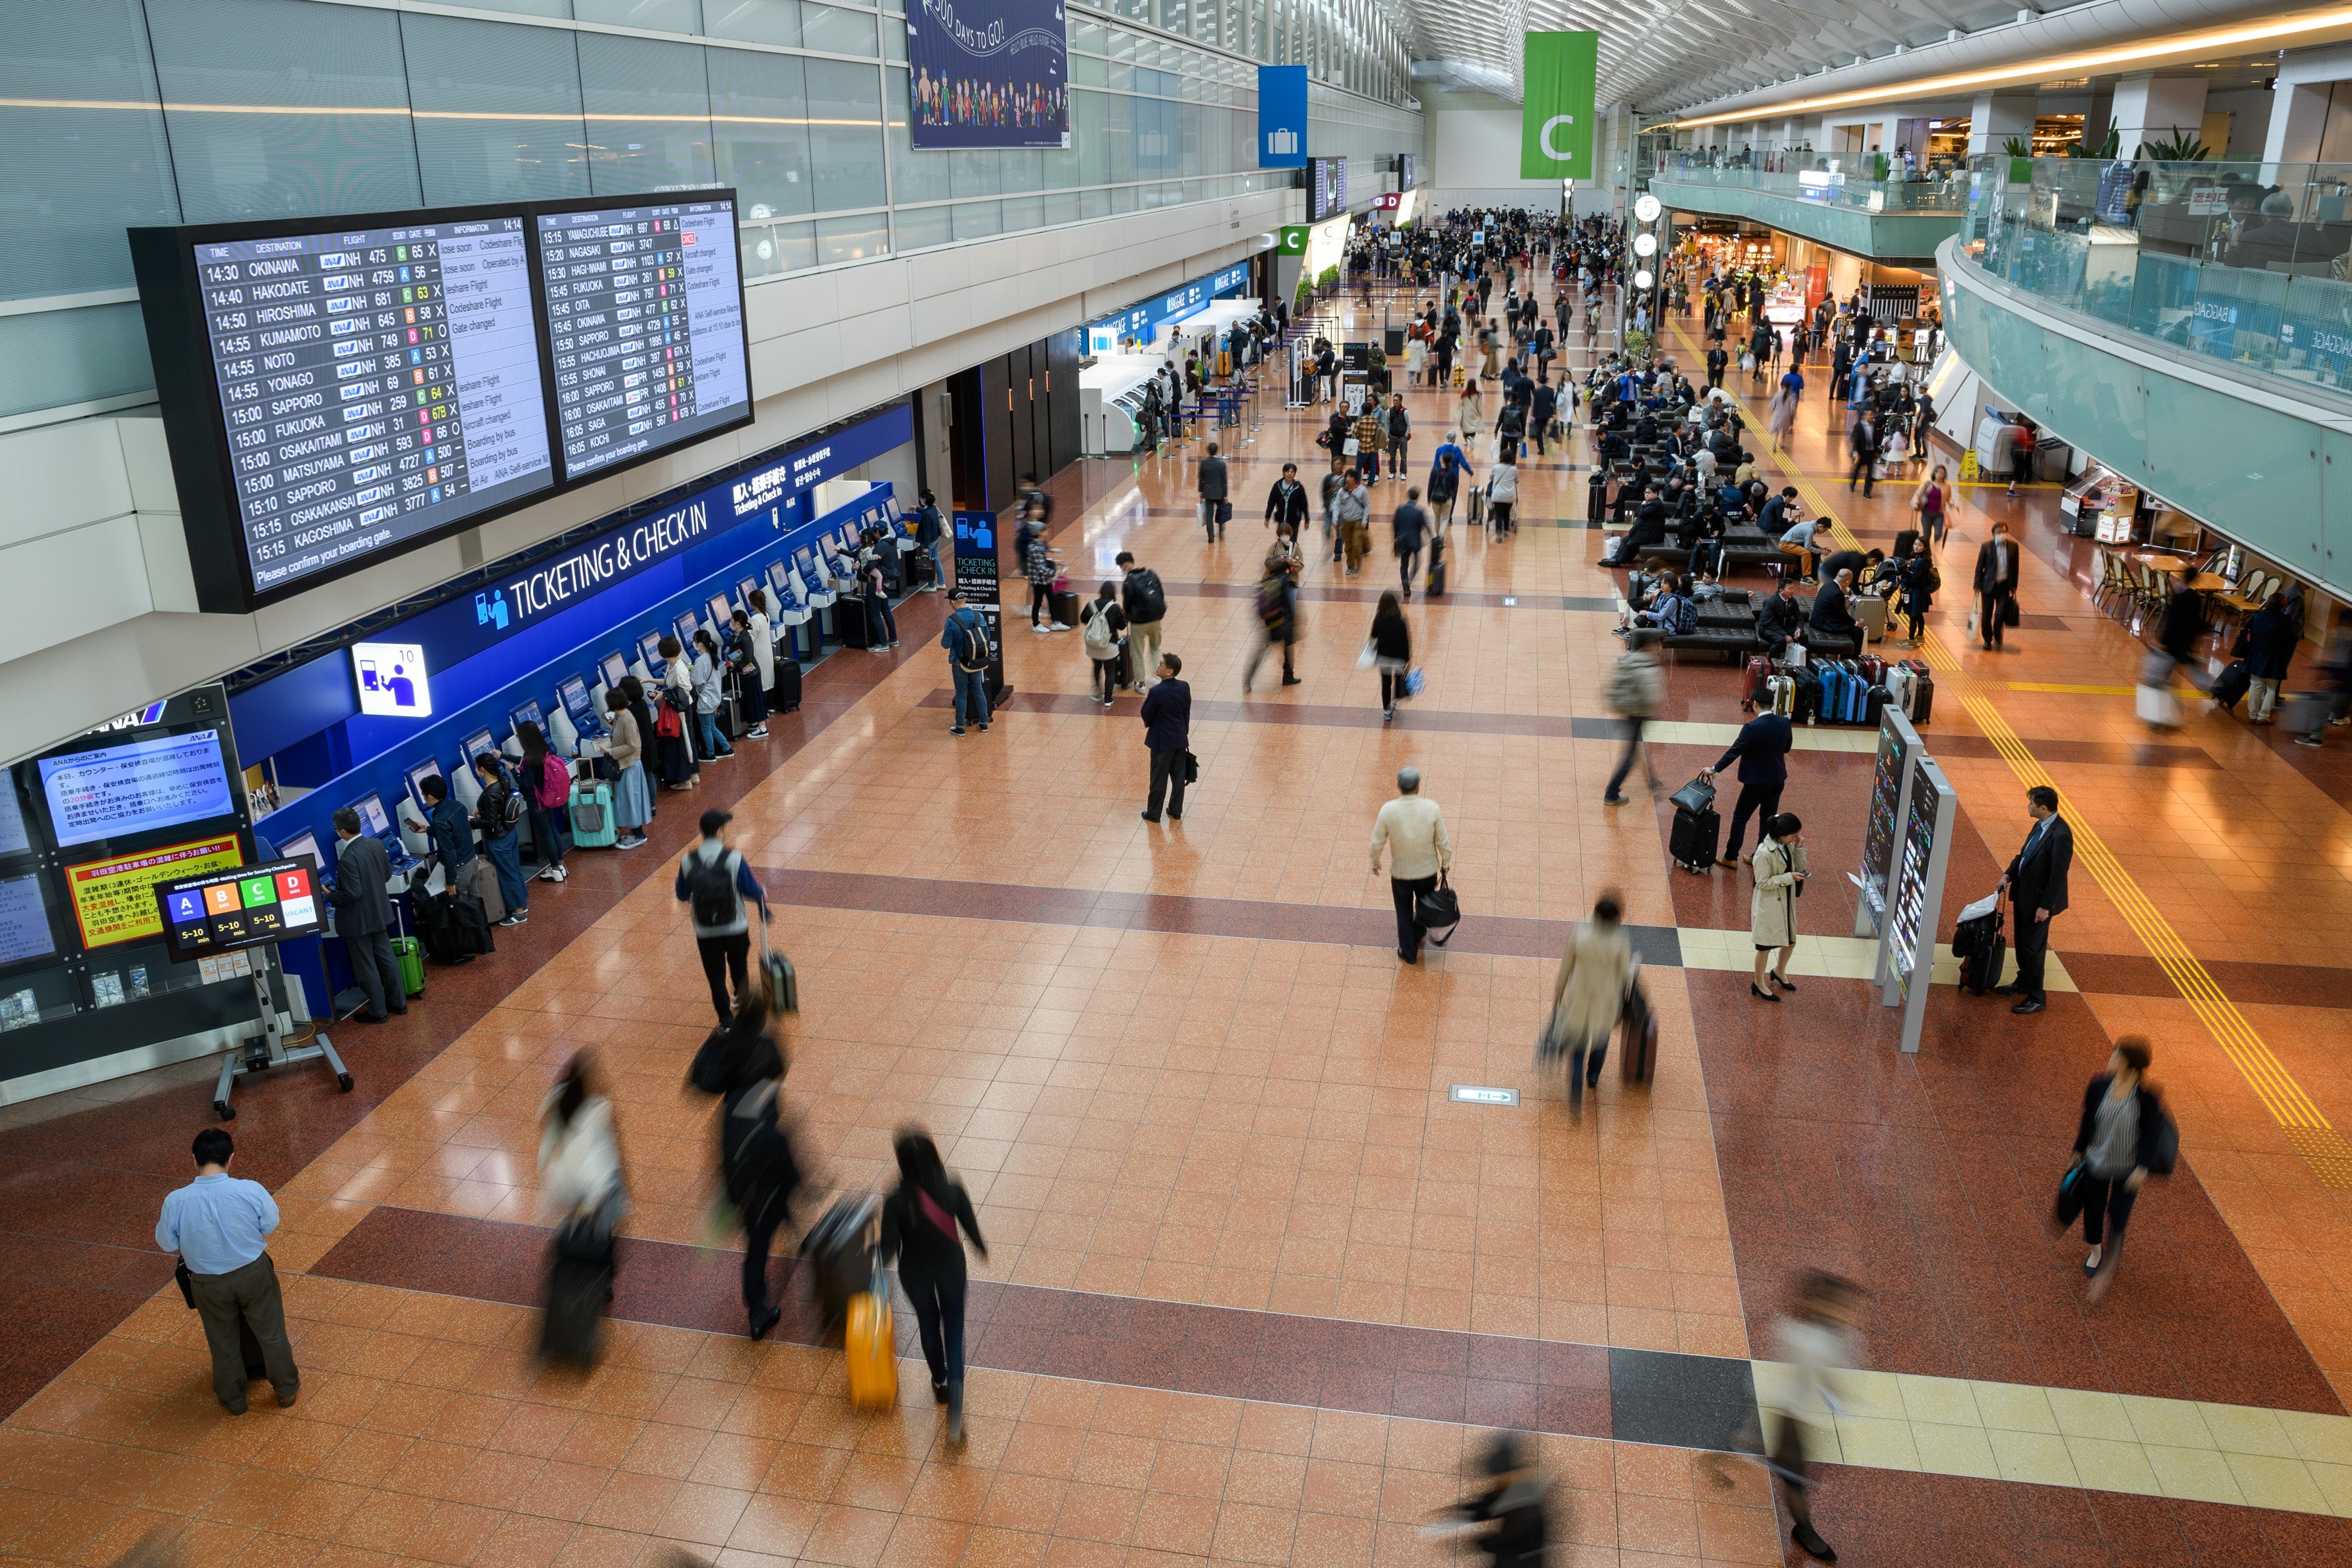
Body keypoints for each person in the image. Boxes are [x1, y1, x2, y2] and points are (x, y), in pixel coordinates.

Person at [155, 1128, 298, 1415]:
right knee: (271, 1334)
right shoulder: (249, 1190)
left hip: (207, 1283)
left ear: (194, 1159)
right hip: (253, 1273)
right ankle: (285, 1390)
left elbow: (166, 1243)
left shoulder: (176, 1200)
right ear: (231, 1158)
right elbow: (269, 1224)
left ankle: (233, 1400)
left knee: (222, 1340)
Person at [691, 989, 802, 1339]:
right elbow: (780, 1069)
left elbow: (701, 1081)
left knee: (756, 1238)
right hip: (763, 1157)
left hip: (736, 1152)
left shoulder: (729, 1048)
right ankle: (758, 1310)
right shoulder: (766, 1049)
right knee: (764, 1227)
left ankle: (759, 1305)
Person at [878, 1129, 987, 1444]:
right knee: (953, 1329)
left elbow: (887, 1250)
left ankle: (939, 1383)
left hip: (915, 1275)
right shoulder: (951, 1189)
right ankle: (955, 1407)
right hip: (951, 1268)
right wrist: (980, 1247)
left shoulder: (896, 1201)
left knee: (928, 1324)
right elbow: (971, 1228)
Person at [1763, 1271, 1866, 1561]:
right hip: (1793, 1417)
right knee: (1794, 1477)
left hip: (1811, 1418)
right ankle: (1805, 1530)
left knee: (1797, 1472)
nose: (1845, 1313)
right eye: (1835, 1305)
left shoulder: (1839, 1337)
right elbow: (1818, 1377)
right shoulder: (1799, 1335)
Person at [537, 1051, 625, 1364]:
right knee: (605, 1237)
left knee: (571, 1231)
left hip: (565, 1183)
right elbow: (614, 1147)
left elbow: (547, 1140)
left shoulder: (557, 1098)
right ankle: (601, 1283)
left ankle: (566, 1269)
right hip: (598, 1184)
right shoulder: (601, 1107)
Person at [2070, 1038, 2163, 1303]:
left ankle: (2112, 1253)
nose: (2110, 1061)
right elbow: (2088, 1120)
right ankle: (2096, 1251)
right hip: (2096, 1159)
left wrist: (2142, 1168)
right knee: (2094, 1208)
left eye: (2115, 1057)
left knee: (2118, 1213)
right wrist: (2078, 1151)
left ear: (2128, 1064)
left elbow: (2152, 1136)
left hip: (2127, 1167)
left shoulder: (2148, 1099)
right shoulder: (2099, 1085)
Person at [676, 808, 772, 1027]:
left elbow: (681, 894)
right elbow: (751, 890)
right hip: (736, 926)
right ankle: (741, 999)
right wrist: (763, 904)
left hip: (705, 929)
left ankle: (726, 1022)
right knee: (739, 968)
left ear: (702, 832)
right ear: (720, 831)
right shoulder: (734, 858)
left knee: (715, 978)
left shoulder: (687, 860)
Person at [1545, 894, 1635, 1112]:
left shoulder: (1580, 932)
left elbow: (1567, 965)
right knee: (1600, 1041)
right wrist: (1635, 964)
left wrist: (1558, 994)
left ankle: (1575, 1084)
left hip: (1579, 999)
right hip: (1605, 1002)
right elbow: (1625, 975)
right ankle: (1593, 1077)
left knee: (1578, 1044)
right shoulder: (1620, 940)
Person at [326, 806, 405, 1022]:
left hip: (358, 922)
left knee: (366, 966)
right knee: (387, 958)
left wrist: (330, 895)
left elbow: (352, 894)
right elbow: (387, 875)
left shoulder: (348, 859)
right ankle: (399, 1003)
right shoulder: (376, 844)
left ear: (343, 832)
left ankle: (378, 1012)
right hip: (380, 912)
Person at [1998, 784, 2072, 1015]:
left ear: (2043, 807)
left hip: (2039, 904)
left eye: (2031, 804)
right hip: (2024, 897)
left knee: (2033, 949)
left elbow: (2058, 875)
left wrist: (2045, 907)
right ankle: (2023, 981)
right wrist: (2008, 874)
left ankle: (2037, 997)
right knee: (2022, 942)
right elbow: (2024, 855)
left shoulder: (2061, 834)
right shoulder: (2039, 825)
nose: (2027, 806)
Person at [1368, 765, 1452, 965]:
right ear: (1418, 787)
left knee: (1403, 911)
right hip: (1427, 871)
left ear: (1399, 786)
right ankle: (1419, 932)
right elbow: (1443, 839)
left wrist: (1375, 861)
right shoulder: (1432, 808)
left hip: (1401, 873)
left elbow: (1377, 841)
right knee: (1424, 904)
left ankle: (1408, 951)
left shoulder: (1388, 810)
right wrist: (1446, 861)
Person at [1436, 1430, 1552, 1568]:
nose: (1495, 1482)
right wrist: (1461, 1513)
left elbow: (1503, 1543)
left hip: (1521, 1561)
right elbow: (1489, 1505)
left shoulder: (1527, 1515)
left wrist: (1473, 1543)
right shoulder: (1512, 1484)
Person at [1700, 705, 1794, 865]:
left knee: (1740, 818)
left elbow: (1734, 751)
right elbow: (1786, 748)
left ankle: (1731, 857)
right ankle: (1759, 857)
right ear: (1772, 704)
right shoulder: (1784, 723)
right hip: (1777, 780)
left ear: (1755, 704)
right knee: (1768, 820)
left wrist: (1715, 769)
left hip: (1755, 782)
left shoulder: (1751, 727)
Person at [1749, 813, 1808, 1001]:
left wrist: (1798, 848)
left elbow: (1801, 866)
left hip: (1786, 901)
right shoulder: (1764, 852)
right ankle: (1759, 983)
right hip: (1770, 905)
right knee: (1765, 946)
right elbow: (1762, 883)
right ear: (1781, 833)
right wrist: (1788, 878)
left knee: (1791, 940)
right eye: (1792, 836)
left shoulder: (1787, 846)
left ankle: (1779, 970)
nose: (1794, 838)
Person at [1603, 629, 1664, 805]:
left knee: (1637, 749)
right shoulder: (1646, 666)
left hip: (1629, 710)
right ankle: (1611, 793)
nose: (1657, 648)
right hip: (1639, 713)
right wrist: (1654, 710)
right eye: (1655, 644)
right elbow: (1650, 695)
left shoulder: (1628, 660)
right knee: (1631, 755)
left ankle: (1652, 781)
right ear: (1648, 646)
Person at [470, 750, 529, 928]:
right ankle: (522, 903)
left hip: (498, 840)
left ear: (482, 770)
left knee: (506, 874)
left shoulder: (490, 792)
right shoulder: (503, 782)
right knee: (514, 870)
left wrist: (472, 822)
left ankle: (518, 912)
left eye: (477, 768)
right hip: (509, 834)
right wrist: (484, 812)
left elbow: (490, 823)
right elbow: (497, 811)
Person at [1139, 653, 1190, 823]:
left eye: (1161, 664)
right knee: (1178, 777)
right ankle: (1176, 810)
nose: (1158, 666)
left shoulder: (1157, 691)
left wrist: (1153, 725)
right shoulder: (1184, 687)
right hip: (1180, 739)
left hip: (1162, 741)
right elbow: (1186, 712)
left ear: (1169, 671)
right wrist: (1184, 731)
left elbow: (1146, 714)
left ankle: (1154, 813)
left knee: (1158, 778)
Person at [2246, 584, 2305, 724]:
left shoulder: (2258, 616)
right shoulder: (2285, 621)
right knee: (2271, 688)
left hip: (2256, 655)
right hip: (2275, 657)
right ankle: (2263, 716)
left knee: (2255, 685)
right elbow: (2292, 638)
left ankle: (2253, 714)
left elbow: (2247, 630)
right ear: (2283, 605)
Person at [601, 686, 651, 850]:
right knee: (628, 800)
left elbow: (632, 746)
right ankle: (636, 832)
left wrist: (610, 751)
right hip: (627, 765)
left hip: (630, 765)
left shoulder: (627, 719)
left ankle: (639, 835)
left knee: (632, 800)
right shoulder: (621, 716)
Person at [1244, 550, 1301, 692]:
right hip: (1285, 623)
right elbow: (1290, 605)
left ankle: (1248, 678)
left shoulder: (1266, 582)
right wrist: (1296, 623)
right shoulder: (1286, 581)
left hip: (1271, 624)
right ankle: (1288, 677)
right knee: (1288, 649)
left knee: (1261, 651)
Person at [940, 588, 992, 735]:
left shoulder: (951, 621)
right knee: (978, 690)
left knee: (961, 693)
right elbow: (987, 636)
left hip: (959, 662)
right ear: (965, 600)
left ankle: (960, 727)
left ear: (952, 602)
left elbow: (946, 644)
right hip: (976, 661)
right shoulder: (978, 616)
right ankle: (983, 724)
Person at [1116, 552, 1167, 692]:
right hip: (1156, 619)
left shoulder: (1128, 582)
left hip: (1139, 623)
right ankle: (1156, 676)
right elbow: (1161, 595)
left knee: (1137, 652)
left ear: (1126, 565)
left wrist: (1127, 617)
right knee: (1155, 647)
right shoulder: (1151, 574)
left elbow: (1127, 604)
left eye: (1121, 566)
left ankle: (1140, 684)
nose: (1122, 569)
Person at [1973, 518, 2020, 651]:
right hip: (1988, 586)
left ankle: (1998, 636)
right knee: (1987, 615)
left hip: (2004, 586)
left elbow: (2015, 566)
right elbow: (1979, 567)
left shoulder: (2013, 546)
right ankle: (1988, 639)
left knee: (1999, 614)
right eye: (1999, 532)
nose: (2002, 535)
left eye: (2004, 532)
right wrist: (1977, 584)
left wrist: (2014, 584)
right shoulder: (1986, 547)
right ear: (1994, 534)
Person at [690, 630, 735, 761]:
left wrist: (689, 674)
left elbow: (697, 681)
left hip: (705, 700)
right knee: (711, 727)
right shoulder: (712, 656)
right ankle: (727, 748)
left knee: (706, 729)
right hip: (713, 698)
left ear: (700, 644)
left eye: (695, 641)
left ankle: (710, 754)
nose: (694, 644)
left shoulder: (700, 660)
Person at [1081, 580, 1128, 706]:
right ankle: (1108, 699)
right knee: (1110, 671)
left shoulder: (1091, 605)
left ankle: (1097, 691)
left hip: (1093, 644)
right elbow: (1122, 626)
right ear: (1113, 593)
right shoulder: (1115, 607)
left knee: (1097, 667)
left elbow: (1083, 619)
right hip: (1110, 644)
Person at [726, 610, 771, 741]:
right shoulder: (738, 635)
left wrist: (735, 666)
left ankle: (763, 728)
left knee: (756, 699)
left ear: (738, 623)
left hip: (751, 673)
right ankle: (754, 723)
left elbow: (747, 658)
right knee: (751, 699)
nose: (730, 622)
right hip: (745, 674)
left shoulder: (745, 638)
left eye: (732, 620)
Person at [1369, 590, 1412, 720]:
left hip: (1383, 657)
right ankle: (1396, 699)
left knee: (1386, 682)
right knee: (1398, 679)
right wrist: (1407, 659)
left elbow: (1374, 635)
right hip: (1399, 658)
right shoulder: (1401, 621)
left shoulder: (1379, 619)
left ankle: (1387, 710)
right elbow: (1406, 642)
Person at [1393, 487, 1429, 599]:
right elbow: (1425, 526)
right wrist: (1432, 537)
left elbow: (1395, 525)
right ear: (1417, 498)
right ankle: (1411, 578)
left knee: (1404, 564)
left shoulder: (1400, 510)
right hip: (1415, 542)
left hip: (1403, 541)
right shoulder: (1419, 512)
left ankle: (1405, 581)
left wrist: (1396, 538)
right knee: (1417, 561)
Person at [1335, 469, 1371, 575]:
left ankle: (1358, 565)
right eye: (1347, 477)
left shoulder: (1362, 490)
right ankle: (1350, 566)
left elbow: (1367, 505)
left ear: (1355, 479)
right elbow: (1337, 505)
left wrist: (1365, 519)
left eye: (1350, 477)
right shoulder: (1342, 491)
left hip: (1358, 522)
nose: (1348, 479)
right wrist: (1335, 518)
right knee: (1349, 546)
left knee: (1357, 545)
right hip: (1346, 522)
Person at [1808, 568, 1859, 642]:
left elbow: (1831, 599)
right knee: (1858, 632)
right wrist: (1856, 623)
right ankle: (1852, 653)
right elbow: (1842, 614)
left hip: (1816, 621)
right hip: (1824, 625)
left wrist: (1843, 598)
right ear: (1847, 582)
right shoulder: (1838, 593)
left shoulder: (1827, 585)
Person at [1265, 462, 1311, 541]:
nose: (1289, 474)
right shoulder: (1277, 486)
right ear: (1283, 473)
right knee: (1282, 542)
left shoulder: (1299, 488)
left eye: (1292, 472)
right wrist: (1267, 517)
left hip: (1294, 520)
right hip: (1281, 521)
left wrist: (1307, 519)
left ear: (1295, 474)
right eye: (1287, 472)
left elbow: (1304, 504)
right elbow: (1271, 503)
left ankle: (1291, 553)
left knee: (1292, 542)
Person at [912, 489, 946, 589]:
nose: (921, 500)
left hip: (929, 542)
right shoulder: (933, 508)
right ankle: (941, 583)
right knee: (937, 561)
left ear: (925, 500)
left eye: (922, 498)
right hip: (935, 539)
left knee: (929, 564)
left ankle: (931, 586)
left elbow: (927, 533)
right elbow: (927, 511)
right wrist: (917, 509)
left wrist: (926, 547)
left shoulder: (927, 516)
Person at [1910, 464, 1949, 547]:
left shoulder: (1947, 486)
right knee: (1927, 535)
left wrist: (1951, 502)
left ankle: (1934, 549)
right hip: (1927, 513)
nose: (1940, 474)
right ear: (1934, 473)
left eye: (1942, 473)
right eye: (1938, 472)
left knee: (1938, 534)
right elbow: (1918, 493)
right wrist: (1916, 502)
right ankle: (1927, 552)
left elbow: (1949, 497)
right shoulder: (1928, 484)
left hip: (1939, 514)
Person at [1780, 518, 1829, 583]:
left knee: (1811, 551)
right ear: (1821, 526)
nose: (1824, 532)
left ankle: (1811, 575)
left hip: (1793, 543)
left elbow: (1810, 542)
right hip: (1785, 545)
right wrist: (1821, 551)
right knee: (1806, 553)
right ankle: (1805, 577)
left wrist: (1820, 548)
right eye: (1825, 530)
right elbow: (1808, 547)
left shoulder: (1810, 525)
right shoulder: (1810, 530)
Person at [1197, 440, 1229, 539]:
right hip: (1219, 493)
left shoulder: (1204, 463)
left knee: (1209, 515)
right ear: (1217, 451)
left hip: (1208, 492)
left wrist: (1201, 491)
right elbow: (1224, 481)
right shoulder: (1221, 464)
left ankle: (1211, 536)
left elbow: (1201, 478)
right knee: (1221, 511)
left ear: (1208, 451)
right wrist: (1225, 494)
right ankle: (1221, 529)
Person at [1485, 450, 1519, 537]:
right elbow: (1517, 481)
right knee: (1507, 513)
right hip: (1510, 496)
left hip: (1498, 495)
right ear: (1512, 459)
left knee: (1499, 514)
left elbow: (1491, 478)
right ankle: (1506, 530)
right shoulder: (1514, 469)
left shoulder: (1496, 467)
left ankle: (1499, 532)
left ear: (1501, 458)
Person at [2005, 417, 2037, 497]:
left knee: (2018, 470)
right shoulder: (2023, 430)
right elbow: (2024, 441)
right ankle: (2011, 491)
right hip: (2019, 453)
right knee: (2019, 471)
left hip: (2015, 452)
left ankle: (2011, 490)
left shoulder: (2018, 429)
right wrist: (2033, 442)